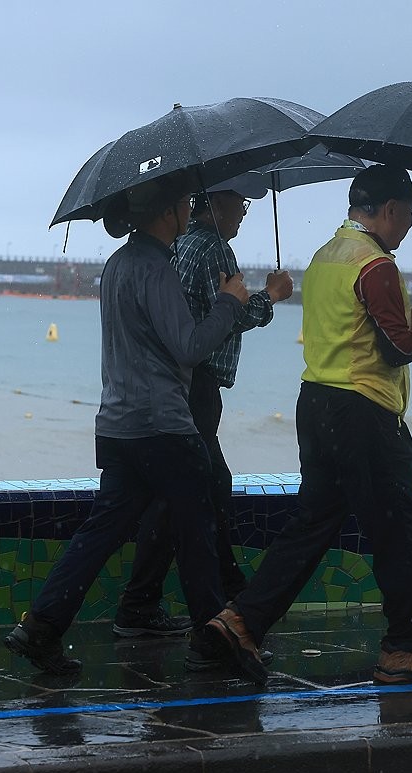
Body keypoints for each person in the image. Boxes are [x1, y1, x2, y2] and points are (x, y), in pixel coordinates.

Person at [204, 164, 412, 685]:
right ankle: (406, 648)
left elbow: (359, 330)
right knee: (401, 531)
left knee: (314, 524)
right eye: (409, 211)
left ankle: (241, 620)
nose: (410, 223)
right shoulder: (376, 265)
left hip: (316, 403)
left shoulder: (327, 257)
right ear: (389, 209)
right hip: (364, 412)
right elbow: (395, 350)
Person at [4, 171, 251, 674]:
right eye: (184, 203)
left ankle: (41, 627)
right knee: (197, 533)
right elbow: (189, 346)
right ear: (167, 213)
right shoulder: (155, 269)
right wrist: (230, 303)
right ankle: (212, 643)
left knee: (100, 535)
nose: (190, 209)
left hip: (118, 427)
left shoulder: (117, 266)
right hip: (163, 427)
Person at [112, 174, 294, 657]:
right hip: (198, 385)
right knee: (203, 488)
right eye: (240, 205)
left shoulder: (178, 246)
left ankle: (157, 604)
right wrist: (271, 297)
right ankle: (220, 612)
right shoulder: (213, 247)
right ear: (216, 204)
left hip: (168, 389)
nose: (243, 214)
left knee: (181, 494)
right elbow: (226, 317)